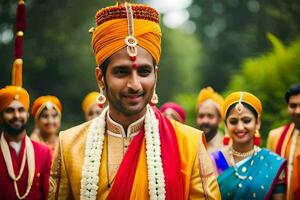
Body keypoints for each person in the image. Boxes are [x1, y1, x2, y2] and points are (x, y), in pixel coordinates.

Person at [49, 2, 220, 199]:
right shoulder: (70, 145)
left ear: (155, 74)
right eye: (121, 72)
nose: (135, 84)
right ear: (100, 78)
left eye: (144, 72)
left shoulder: (189, 144)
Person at [0, 1, 52, 198]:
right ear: (2, 114)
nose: (16, 115)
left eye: (20, 110)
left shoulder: (43, 152)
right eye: (10, 110)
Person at [211, 91, 286, 200]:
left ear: (258, 122)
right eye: (233, 121)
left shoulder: (272, 163)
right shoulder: (214, 160)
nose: (240, 127)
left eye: (246, 121)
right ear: (226, 124)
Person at [267, 83, 300, 199]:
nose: (298, 111)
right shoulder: (275, 136)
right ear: (287, 107)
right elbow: (270, 177)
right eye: (293, 106)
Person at [196, 87, 224, 154]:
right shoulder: (191, 144)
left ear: (219, 119)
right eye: (201, 116)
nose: (205, 121)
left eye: (210, 116)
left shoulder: (226, 147)